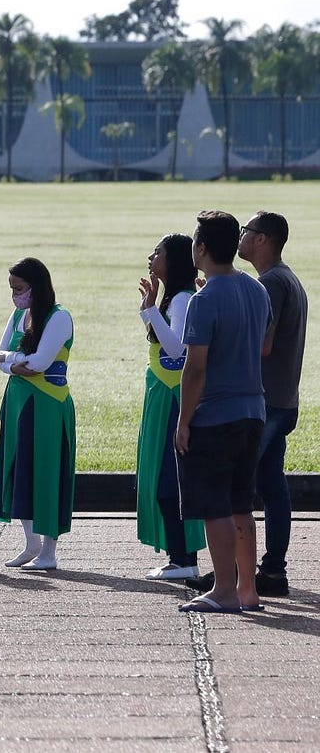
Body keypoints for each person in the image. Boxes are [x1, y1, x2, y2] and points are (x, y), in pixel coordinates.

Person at [174, 211, 271, 614]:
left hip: (216, 415)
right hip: (253, 410)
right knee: (241, 504)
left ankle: (224, 590)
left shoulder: (204, 299)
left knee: (214, 506)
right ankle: (248, 590)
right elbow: (262, 346)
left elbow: (195, 367)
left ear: (202, 248)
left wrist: (183, 420)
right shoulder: (256, 290)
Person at [0, 257, 76, 571]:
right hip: (19, 401)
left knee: (47, 473)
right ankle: (31, 544)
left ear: (36, 287)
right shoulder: (20, 315)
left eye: (19, 289)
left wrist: (13, 361)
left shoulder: (59, 317)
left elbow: (39, 363)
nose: (15, 296)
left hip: (48, 404)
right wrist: (14, 361)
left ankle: (49, 550)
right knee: (19, 469)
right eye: (12, 289)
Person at [236, 210, 307, 597]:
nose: (241, 237)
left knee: (240, 484)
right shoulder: (289, 279)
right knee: (273, 486)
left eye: (247, 231)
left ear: (262, 239)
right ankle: (273, 572)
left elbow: (262, 344)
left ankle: (233, 576)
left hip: (264, 402)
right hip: (284, 399)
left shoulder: (270, 284)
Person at [135, 234, 206, 579]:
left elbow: (176, 349)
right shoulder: (174, 298)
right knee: (163, 477)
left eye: (158, 253)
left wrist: (151, 309)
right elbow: (157, 338)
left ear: (173, 260)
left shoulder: (182, 299)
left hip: (174, 395)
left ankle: (184, 560)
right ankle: (180, 558)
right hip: (163, 392)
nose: (151, 257)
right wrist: (148, 307)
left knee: (169, 479)